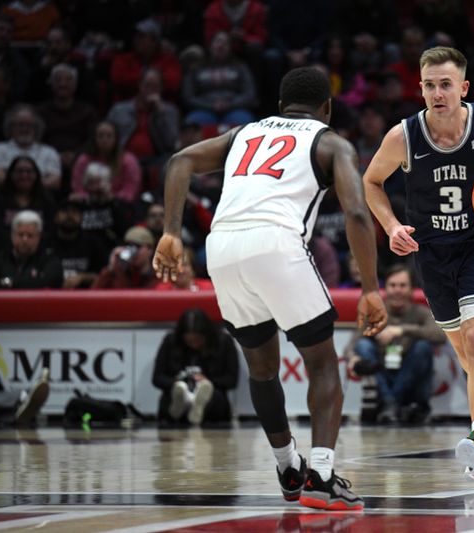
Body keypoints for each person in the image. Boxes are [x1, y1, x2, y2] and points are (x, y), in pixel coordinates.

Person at [152, 67, 387, 511]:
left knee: (261, 368)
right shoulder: (331, 141)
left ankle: (287, 465)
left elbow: (179, 161)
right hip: (276, 242)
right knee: (321, 363)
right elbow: (356, 214)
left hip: (220, 245)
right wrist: (371, 288)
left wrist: (170, 231)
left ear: (280, 107)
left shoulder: (245, 131)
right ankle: (320, 475)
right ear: (328, 109)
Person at [362, 46, 474, 483]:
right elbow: (372, 182)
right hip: (432, 254)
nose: (438, 93)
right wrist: (392, 225)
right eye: (430, 85)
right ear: (421, 88)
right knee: (466, 353)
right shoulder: (404, 136)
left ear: (463, 88)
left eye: (446, 84)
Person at [345, 264, 446, 424]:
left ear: (411, 289)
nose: (397, 290)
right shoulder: (375, 313)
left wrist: (402, 330)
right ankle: (391, 401)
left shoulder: (421, 312)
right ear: (385, 288)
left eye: (402, 285)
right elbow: (351, 345)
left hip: (413, 380)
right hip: (384, 374)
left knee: (422, 348)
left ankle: (390, 402)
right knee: (364, 346)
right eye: (392, 285)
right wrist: (353, 359)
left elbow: (440, 335)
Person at [152, 308, 239, 426]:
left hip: (212, 402)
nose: (194, 344)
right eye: (189, 341)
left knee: (210, 391)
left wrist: (208, 380)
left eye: (198, 340)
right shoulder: (170, 341)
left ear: (206, 335)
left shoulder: (223, 341)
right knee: (177, 390)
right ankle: (181, 403)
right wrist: (175, 381)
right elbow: (157, 378)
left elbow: (231, 380)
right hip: (177, 391)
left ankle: (197, 406)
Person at [0, 209, 63, 289]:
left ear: (39, 237)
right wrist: (31, 282)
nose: (24, 239)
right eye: (20, 234)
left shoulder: (50, 261)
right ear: (12, 235)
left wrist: (8, 282)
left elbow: (48, 282)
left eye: (30, 235)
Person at [91, 225, 157, 289]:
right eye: (128, 245)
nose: (133, 250)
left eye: (137, 246)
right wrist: (110, 268)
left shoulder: (157, 276)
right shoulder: (117, 273)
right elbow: (93, 295)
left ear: (150, 250)